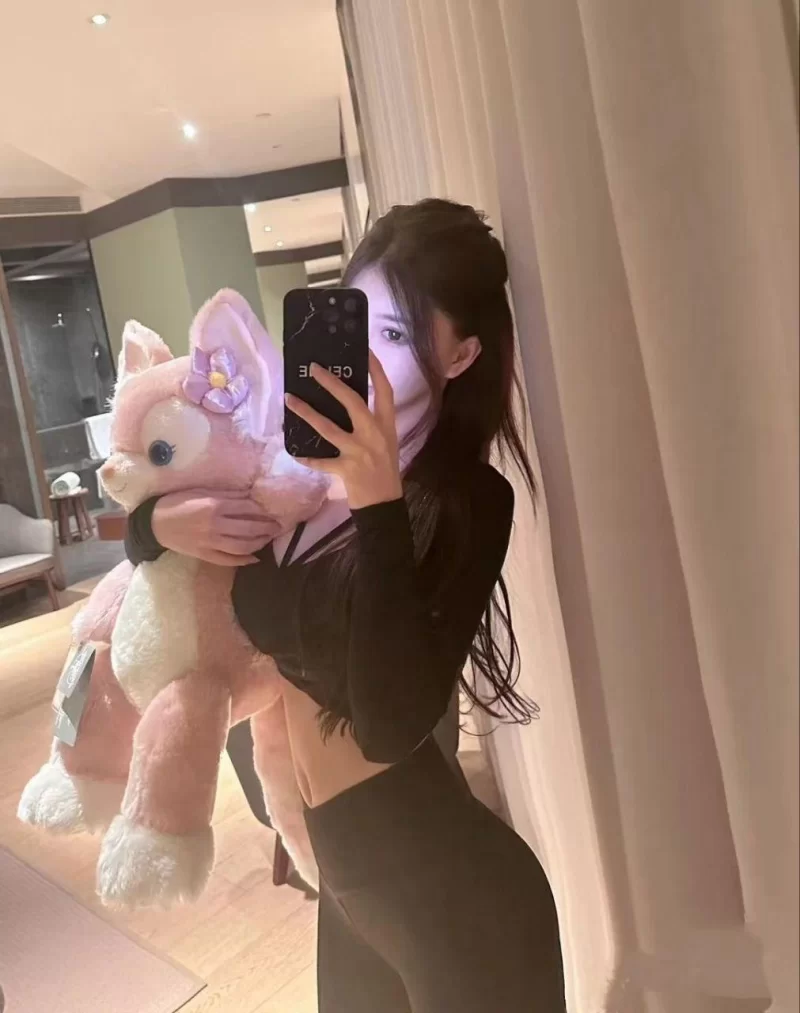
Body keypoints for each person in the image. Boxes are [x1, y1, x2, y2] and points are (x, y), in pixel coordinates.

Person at [125, 199, 565, 1012]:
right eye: (358, 317)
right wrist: (157, 524)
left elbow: (391, 723)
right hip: (345, 885)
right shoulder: (280, 466)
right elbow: (151, 537)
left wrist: (377, 502)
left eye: (396, 333)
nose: (363, 354)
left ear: (462, 354)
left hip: (454, 900)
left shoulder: (467, 501)